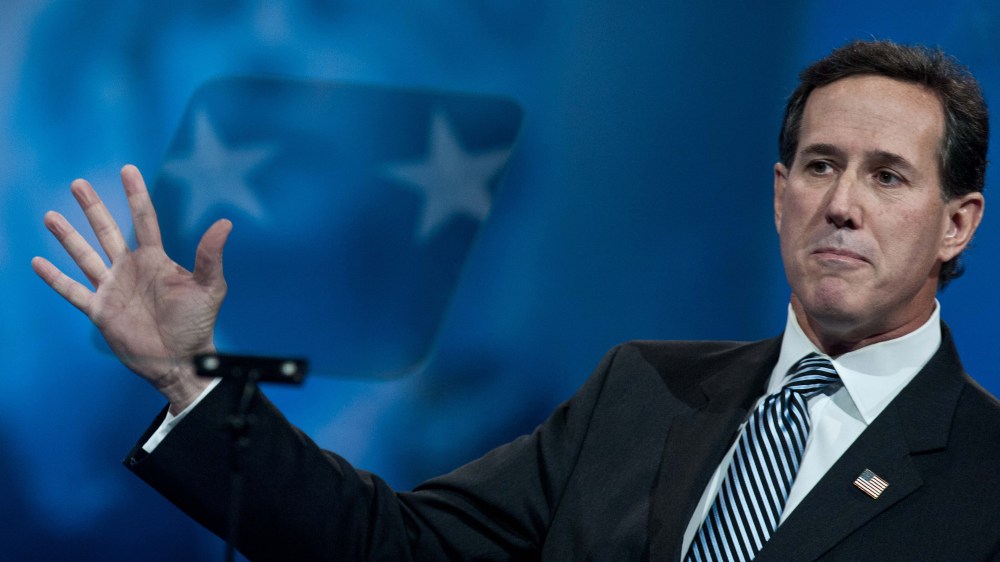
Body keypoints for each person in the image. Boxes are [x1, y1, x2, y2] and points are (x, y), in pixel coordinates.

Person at [33, 39, 1000, 561]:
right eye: (820, 166)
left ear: (957, 224)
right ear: (777, 189)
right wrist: (187, 381)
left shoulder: (986, 476)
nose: (840, 205)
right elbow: (391, 542)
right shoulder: (644, 390)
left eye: (887, 178)